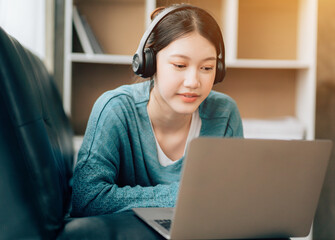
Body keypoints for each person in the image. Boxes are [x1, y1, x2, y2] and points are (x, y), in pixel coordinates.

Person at [71, 4, 243, 217]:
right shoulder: (115, 109)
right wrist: (184, 195)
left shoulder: (225, 113)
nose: (193, 82)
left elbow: (231, 198)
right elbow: (87, 199)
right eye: (180, 65)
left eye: (207, 68)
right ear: (149, 63)